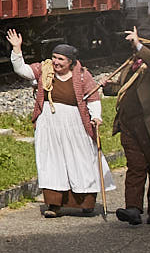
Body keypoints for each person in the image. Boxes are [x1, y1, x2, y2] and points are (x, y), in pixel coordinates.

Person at [8, 28, 104, 217]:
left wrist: (96, 116)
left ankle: (85, 203)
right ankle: (54, 205)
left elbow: (92, 98)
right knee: (51, 160)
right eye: (55, 57)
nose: (56, 62)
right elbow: (22, 70)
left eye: (61, 59)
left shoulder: (83, 75)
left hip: (75, 122)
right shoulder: (44, 70)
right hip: (49, 122)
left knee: (80, 158)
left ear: (71, 62)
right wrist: (17, 49)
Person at [99, 24, 150, 225]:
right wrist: (108, 88)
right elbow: (124, 88)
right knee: (135, 168)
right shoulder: (132, 64)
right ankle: (133, 209)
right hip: (130, 125)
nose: (133, 49)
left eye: (136, 45)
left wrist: (138, 47)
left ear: (148, 47)